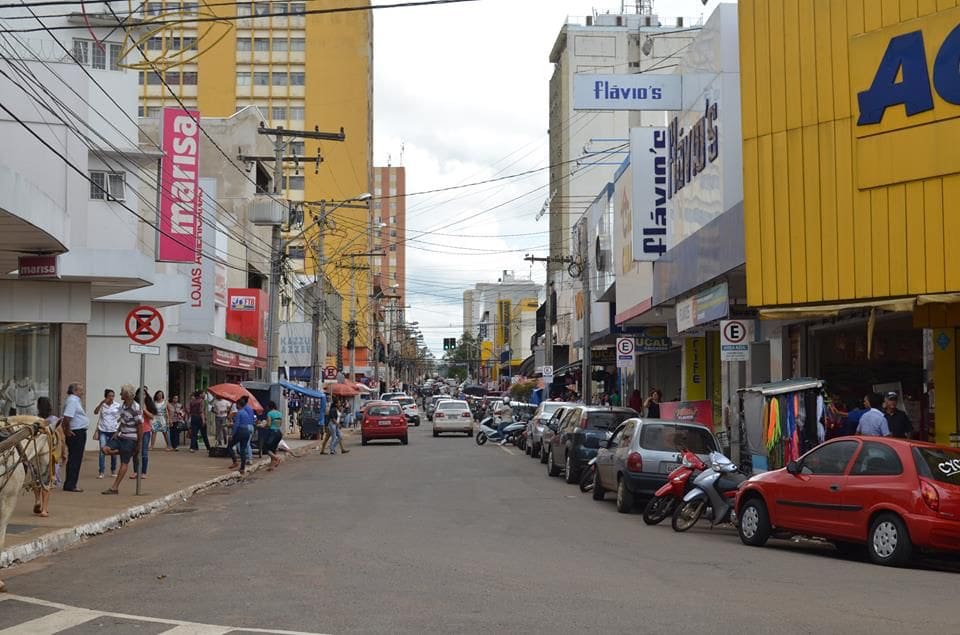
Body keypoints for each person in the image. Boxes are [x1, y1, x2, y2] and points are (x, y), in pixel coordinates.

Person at [101, 385, 143, 495]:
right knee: (105, 449)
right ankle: (126, 452)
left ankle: (114, 487)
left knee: (124, 463)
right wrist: (117, 431)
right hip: (121, 435)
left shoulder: (135, 408)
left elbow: (140, 426)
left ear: (127, 395)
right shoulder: (124, 405)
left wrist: (139, 443)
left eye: (122, 393)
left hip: (130, 438)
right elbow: (123, 420)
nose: (120, 394)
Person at [33, 397, 59, 517]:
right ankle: (44, 509)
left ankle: (37, 500)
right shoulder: (54, 420)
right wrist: (63, 452)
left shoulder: (35, 420)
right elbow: (60, 437)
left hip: (35, 454)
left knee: (36, 479)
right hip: (47, 454)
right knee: (47, 481)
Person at [61, 383, 89, 492]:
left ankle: (71, 483)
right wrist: (67, 430)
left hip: (78, 431)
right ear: (74, 391)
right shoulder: (72, 401)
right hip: (76, 432)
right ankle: (71, 484)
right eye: (80, 390)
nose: (82, 392)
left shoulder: (75, 400)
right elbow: (67, 417)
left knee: (75, 458)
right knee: (75, 459)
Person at [131, 388, 157, 480]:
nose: (142, 396)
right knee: (135, 451)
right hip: (135, 430)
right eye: (140, 394)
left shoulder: (149, 404)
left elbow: (151, 417)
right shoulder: (134, 404)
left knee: (144, 452)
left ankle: (143, 472)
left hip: (146, 430)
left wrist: (144, 409)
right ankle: (135, 471)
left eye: (144, 394)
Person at [94, 389, 120, 479]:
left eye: (113, 396)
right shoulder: (103, 405)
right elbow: (95, 412)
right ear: (106, 397)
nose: (111, 398)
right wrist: (102, 403)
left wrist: (117, 424)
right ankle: (101, 471)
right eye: (109, 396)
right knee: (102, 450)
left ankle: (113, 470)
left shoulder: (117, 405)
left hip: (113, 430)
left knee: (113, 451)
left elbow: (122, 415)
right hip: (103, 430)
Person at [227, 396, 255, 474]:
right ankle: (242, 468)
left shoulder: (239, 413)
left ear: (239, 405)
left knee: (229, 446)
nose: (236, 406)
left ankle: (235, 461)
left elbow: (236, 425)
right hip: (246, 431)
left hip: (240, 431)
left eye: (236, 404)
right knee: (243, 449)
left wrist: (232, 434)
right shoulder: (245, 413)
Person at [258, 401, 283, 469]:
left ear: (269, 407)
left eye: (267, 407)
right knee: (273, 449)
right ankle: (271, 466)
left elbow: (269, 424)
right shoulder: (279, 413)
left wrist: (262, 425)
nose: (266, 408)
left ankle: (276, 458)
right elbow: (280, 424)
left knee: (265, 448)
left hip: (272, 433)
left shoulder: (270, 413)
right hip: (279, 433)